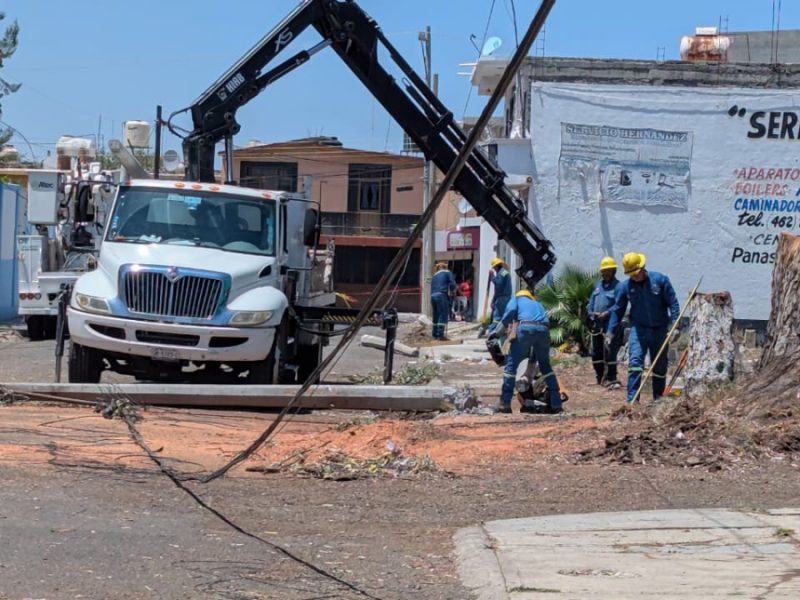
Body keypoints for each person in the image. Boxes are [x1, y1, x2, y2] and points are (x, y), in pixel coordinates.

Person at [606, 252, 680, 404]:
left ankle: (658, 400)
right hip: (638, 330)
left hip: (659, 329)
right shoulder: (625, 287)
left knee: (659, 366)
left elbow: (673, 303)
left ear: (642, 267)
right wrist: (610, 332)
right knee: (635, 363)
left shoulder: (660, 280)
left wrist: (675, 325)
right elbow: (618, 310)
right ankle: (633, 402)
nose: (634, 277)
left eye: (636, 273)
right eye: (631, 274)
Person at [489, 288, 563, 414]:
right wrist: (532, 362)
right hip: (544, 331)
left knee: (511, 368)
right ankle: (556, 403)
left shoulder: (517, 300)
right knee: (546, 367)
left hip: (525, 329)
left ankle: (505, 403)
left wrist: (496, 333)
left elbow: (509, 314)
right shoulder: (537, 304)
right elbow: (540, 327)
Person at [586, 256, 623, 388]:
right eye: (604, 271)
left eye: (608, 270)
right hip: (597, 325)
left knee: (610, 352)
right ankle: (599, 376)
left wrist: (607, 313)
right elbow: (590, 303)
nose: (606, 273)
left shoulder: (618, 287)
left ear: (614, 271)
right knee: (596, 352)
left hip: (610, 326)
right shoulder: (598, 286)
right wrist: (591, 313)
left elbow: (619, 305)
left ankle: (611, 378)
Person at [430, 261, 457, 340]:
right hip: (441, 295)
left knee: (436, 315)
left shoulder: (434, 275)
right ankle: (440, 335)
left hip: (433, 296)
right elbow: (452, 284)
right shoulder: (447, 272)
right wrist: (453, 291)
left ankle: (435, 334)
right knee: (442, 314)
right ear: (445, 266)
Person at [487, 258, 512, 338]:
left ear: (497, 266)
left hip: (502, 298)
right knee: (501, 316)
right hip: (502, 297)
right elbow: (498, 289)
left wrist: (492, 277)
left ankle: (491, 332)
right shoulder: (502, 273)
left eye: (494, 267)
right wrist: (494, 300)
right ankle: (500, 333)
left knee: (497, 317)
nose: (494, 269)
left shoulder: (502, 273)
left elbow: (498, 284)